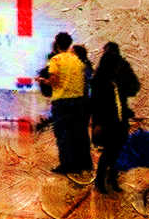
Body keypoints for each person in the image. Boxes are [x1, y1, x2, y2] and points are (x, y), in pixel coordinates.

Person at [38, 32, 93, 175]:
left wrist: (43, 81)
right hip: (79, 101)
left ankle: (67, 165)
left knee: (63, 134)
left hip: (62, 101)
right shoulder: (77, 60)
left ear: (57, 44)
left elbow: (54, 80)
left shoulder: (56, 59)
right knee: (79, 133)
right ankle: (84, 164)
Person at [90, 43, 139, 194]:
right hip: (107, 119)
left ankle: (110, 179)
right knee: (111, 150)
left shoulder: (117, 73)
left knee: (116, 150)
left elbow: (134, 87)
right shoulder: (101, 78)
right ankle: (102, 180)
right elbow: (96, 102)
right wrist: (97, 123)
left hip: (117, 118)